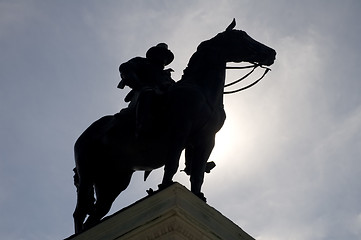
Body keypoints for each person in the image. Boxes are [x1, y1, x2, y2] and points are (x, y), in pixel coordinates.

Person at [118, 43, 175, 137]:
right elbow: (126, 68)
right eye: (161, 54)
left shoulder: (166, 74)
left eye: (166, 57)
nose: (163, 59)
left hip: (163, 95)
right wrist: (136, 82)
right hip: (142, 91)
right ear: (155, 54)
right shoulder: (141, 62)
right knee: (148, 92)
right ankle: (142, 128)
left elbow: (173, 86)